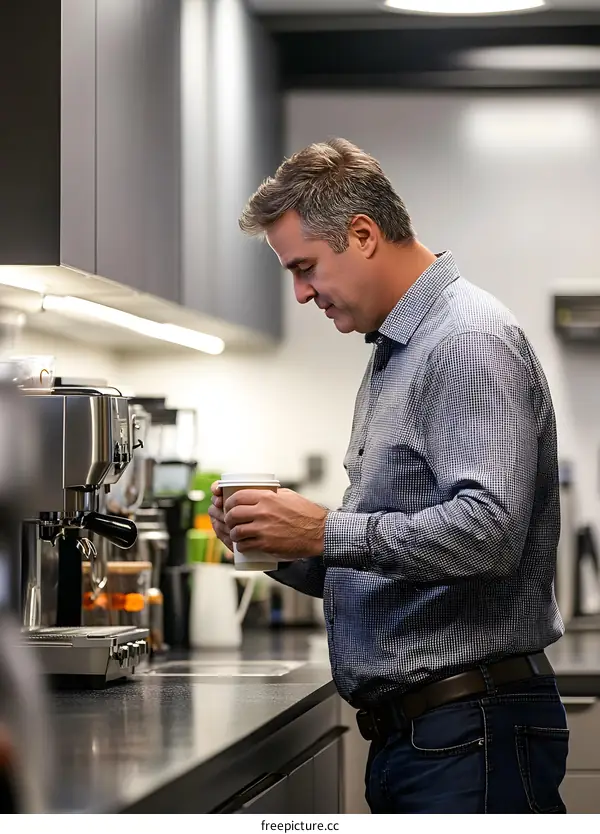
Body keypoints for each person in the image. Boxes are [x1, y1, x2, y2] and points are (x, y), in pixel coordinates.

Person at [208, 138, 568, 814]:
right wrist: (276, 543)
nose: (302, 291)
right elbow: (392, 556)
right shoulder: (399, 350)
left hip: (470, 733)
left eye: (306, 267)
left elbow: (487, 536)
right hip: (431, 736)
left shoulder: (463, 341)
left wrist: (323, 529)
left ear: (364, 234)